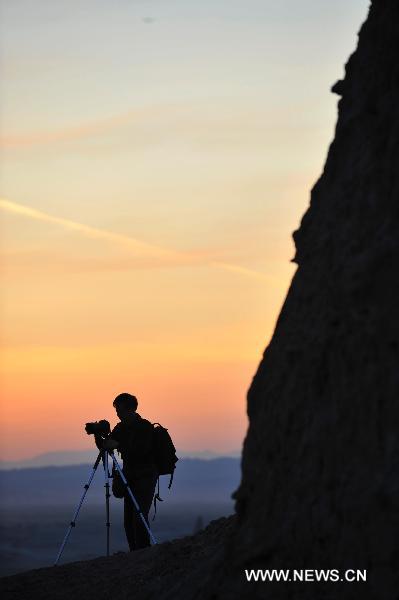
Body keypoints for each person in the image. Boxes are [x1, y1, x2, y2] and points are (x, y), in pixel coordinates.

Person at [105, 392, 158, 551]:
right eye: (116, 411)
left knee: (139, 515)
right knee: (128, 520)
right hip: (129, 475)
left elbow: (140, 452)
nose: (118, 414)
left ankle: (143, 551)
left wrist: (118, 445)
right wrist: (100, 436)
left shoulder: (144, 427)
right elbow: (108, 446)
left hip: (145, 476)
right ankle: (134, 553)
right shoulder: (120, 428)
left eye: (119, 410)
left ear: (130, 409)